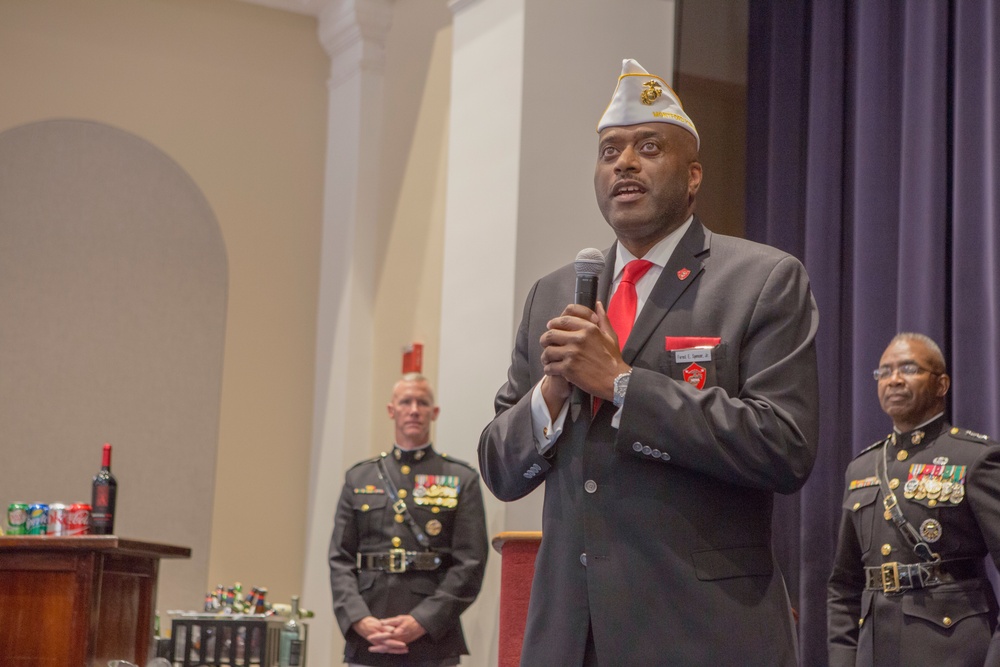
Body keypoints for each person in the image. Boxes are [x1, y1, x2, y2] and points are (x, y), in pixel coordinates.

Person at [477, 58, 819, 665]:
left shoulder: (761, 280)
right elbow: (501, 469)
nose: (624, 163)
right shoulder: (552, 294)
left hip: (702, 635)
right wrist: (552, 393)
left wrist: (623, 384)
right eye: (610, 151)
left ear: (693, 177)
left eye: (648, 147)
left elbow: (783, 446)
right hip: (571, 638)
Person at [828, 333, 1000, 666]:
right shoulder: (861, 468)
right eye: (884, 372)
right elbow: (845, 584)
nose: (893, 380)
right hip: (876, 652)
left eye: (908, 369)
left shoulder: (975, 458)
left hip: (953, 652)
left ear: (942, 384)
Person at [329, 373, 488, 666]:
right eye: (406, 402)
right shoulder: (359, 477)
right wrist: (359, 618)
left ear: (434, 412)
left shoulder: (459, 479)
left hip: (432, 640)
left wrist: (422, 620)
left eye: (422, 403)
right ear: (392, 410)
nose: (414, 409)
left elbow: (471, 563)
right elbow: (340, 558)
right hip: (369, 636)